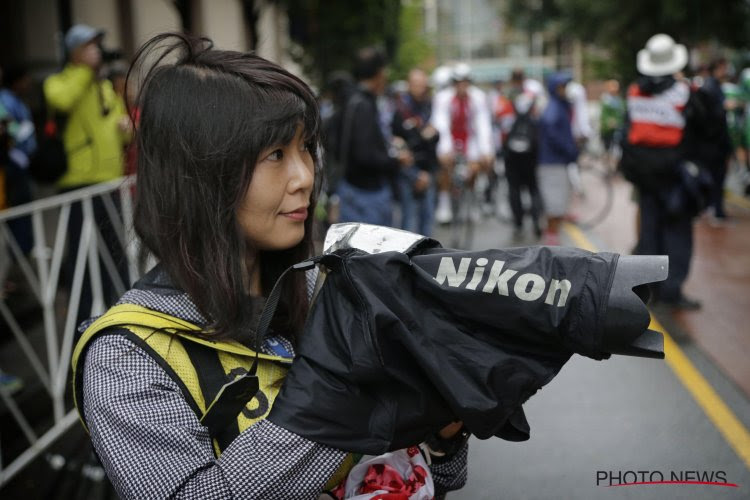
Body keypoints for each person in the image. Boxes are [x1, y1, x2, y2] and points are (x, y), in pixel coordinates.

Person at [70, 33, 468, 499]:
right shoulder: (127, 357)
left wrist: (444, 433)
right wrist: (349, 386)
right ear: (199, 175)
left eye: (306, 149)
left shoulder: (327, 285)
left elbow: (429, 478)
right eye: (276, 154)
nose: (304, 177)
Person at [44, 24, 132, 323]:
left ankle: (118, 312)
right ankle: (79, 318)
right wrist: (84, 70)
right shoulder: (59, 82)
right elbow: (62, 100)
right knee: (81, 255)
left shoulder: (104, 87)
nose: (96, 51)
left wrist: (126, 129)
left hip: (109, 184)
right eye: (88, 46)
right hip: (78, 185)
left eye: (97, 45)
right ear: (74, 52)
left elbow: (122, 132)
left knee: (113, 252)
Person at [621, 34, 705, 310]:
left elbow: (628, 130)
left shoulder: (634, 91)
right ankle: (672, 291)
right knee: (677, 233)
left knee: (650, 232)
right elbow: (701, 130)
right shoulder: (685, 92)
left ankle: (651, 291)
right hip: (674, 176)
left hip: (644, 175)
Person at [335, 47, 411, 227]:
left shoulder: (350, 99)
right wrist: (396, 159)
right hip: (366, 194)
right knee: (373, 252)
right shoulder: (364, 105)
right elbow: (365, 155)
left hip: (351, 188)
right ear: (378, 73)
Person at [431, 63, 495, 224]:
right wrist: (445, 149)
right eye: (458, 82)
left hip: (470, 138)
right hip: (450, 137)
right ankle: (444, 204)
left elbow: (483, 124)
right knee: (445, 167)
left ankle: (471, 202)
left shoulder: (478, 97)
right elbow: (441, 124)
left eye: (465, 82)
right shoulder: (442, 98)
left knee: (475, 167)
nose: (462, 86)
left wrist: (486, 150)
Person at [391, 68, 440, 236]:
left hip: (429, 169)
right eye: (415, 84)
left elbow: (436, 135)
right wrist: (414, 174)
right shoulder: (400, 109)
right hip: (408, 172)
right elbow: (395, 141)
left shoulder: (431, 106)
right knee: (408, 223)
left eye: (422, 84)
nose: (419, 88)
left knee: (427, 221)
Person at [537, 72, 578, 245]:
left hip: (557, 162)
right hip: (551, 163)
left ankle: (553, 234)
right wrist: (569, 149)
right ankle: (551, 236)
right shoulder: (554, 108)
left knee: (560, 198)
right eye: (562, 86)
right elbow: (553, 133)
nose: (565, 90)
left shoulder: (560, 106)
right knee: (554, 202)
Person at [694, 57, 733, 223]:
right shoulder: (711, 88)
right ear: (718, 67)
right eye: (724, 67)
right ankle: (714, 210)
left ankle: (710, 208)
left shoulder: (711, 86)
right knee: (715, 177)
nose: (727, 71)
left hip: (712, 142)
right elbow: (710, 116)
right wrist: (723, 108)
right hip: (713, 143)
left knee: (713, 176)